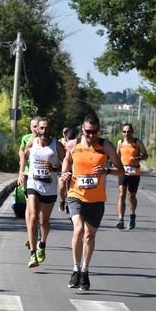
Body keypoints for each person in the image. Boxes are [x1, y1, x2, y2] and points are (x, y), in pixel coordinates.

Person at [60, 113, 124, 290]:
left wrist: (106, 171)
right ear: (82, 130)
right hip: (75, 195)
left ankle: (84, 270)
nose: (91, 135)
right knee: (78, 229)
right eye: (88, 131)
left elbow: (121, 169)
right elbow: (66, 161)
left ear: (99, 130)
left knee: (90, 236)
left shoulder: (106, 146)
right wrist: (64, 174)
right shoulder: (73, 145)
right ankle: (75, 269)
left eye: (95, 132)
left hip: (96, 199)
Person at [18, 117, 66, 268]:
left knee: (44, 221)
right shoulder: (31, 143)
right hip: (34, 184)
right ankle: (33, 255)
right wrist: (21, 173)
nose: (44, 131)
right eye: (41, 128)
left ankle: (42, 244)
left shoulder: (56, 145)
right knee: (32, 217)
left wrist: (56, 169)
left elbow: (66, 165)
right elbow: (24, 156)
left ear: (50, 129)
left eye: (47, 128)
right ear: (36, 129)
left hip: (49, 187)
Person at [115, 123, 148, 230]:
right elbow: (117, 156)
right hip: (123, 172)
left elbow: (145, 155)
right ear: (122, 133)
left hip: (134, 173)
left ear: (132, 132)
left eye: (128, 131)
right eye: (124, 131)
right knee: (121, 195)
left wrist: (138, 158)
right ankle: (120, 220)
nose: (126, 133)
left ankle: (132, 215)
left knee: (131, 196)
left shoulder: (137, 142)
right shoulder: (120, 143)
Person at [19, 116, 40, 247]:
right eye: (34, 126)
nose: (36, 129)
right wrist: (21, 172)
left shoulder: (45, 140)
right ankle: (31, 233)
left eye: (38, 126)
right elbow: (22, 152)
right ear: (31, 127)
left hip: (41, 176)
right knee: (29, 207)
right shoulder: (26, 139)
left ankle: (36, 231)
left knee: (37, 210)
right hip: (28, 175)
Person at [58, 128, 77, 212]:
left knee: (70, 188)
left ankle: (69, 204)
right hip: (62, 167)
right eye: (64, 132)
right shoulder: (60, 142)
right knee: (61, 187)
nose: (65, 134)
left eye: (67, 132)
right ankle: (62, 200)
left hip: (72, 168)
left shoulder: (75, 143)